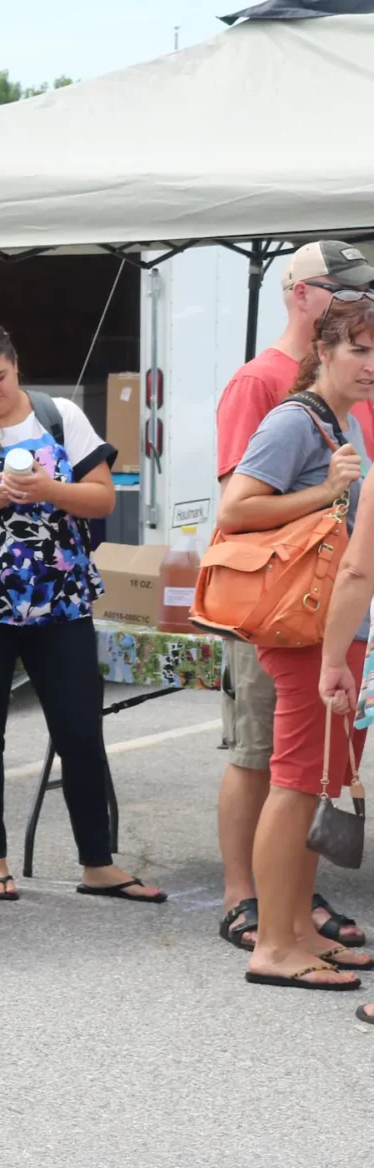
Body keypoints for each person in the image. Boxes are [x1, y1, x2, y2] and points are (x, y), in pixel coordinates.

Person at [0, 319, 161, 902]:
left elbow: (102, 496)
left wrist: (50, 490)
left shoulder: (57, 416)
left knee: (80, 731)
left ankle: (97, 862)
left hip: (62, 605)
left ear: (15, 364)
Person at [214, 241, 374, 953]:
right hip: (296, 620)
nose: (371, 363)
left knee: (311, 779)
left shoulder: (339, 417)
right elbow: (234, 509)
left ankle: (294, 926)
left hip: (329, 621)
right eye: (360, 349)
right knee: (282, 772)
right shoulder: (279, 400)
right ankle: (269, 928)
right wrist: (328, 491)